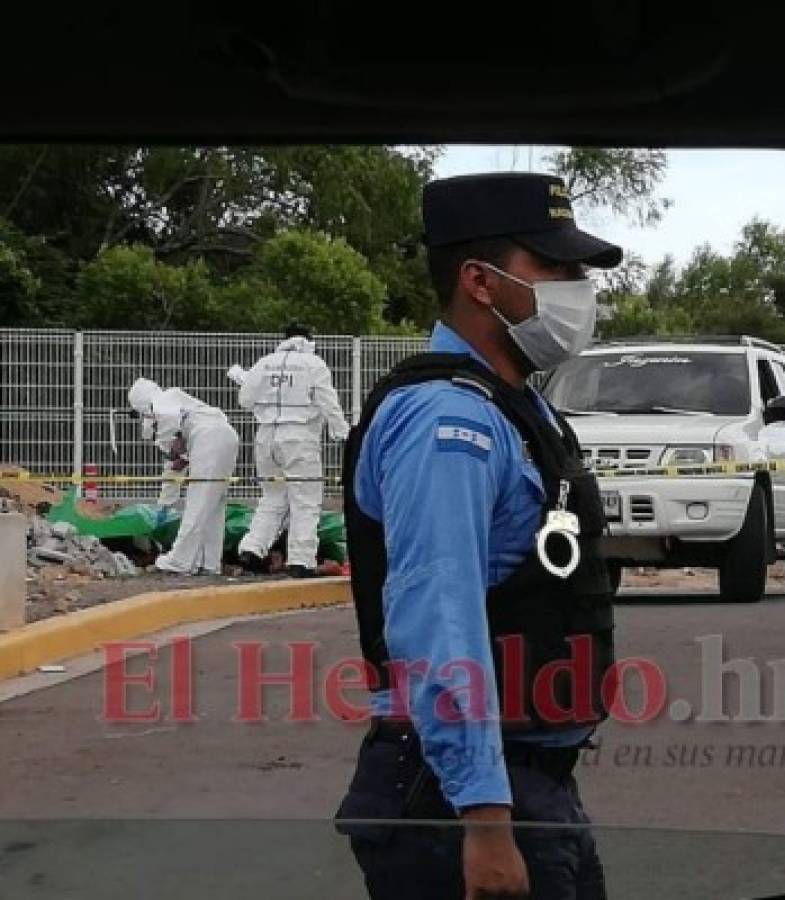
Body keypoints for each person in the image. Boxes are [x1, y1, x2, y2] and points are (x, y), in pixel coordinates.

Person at [336, 172, 622, 899]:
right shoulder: (446, 422)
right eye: (554, 268)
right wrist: (486, 822)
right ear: (479, 281)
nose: (577, 288)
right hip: (459, 799)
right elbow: (440, 620)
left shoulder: (515, 406)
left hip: (526, 785)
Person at [235, 324, 350, 577]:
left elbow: (245, 399)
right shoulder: (313, 364)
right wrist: (343, 434)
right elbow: (328, 402)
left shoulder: (264, 363)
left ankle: (252, 549)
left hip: (265, 436)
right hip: (299, 437)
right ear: (309, 340)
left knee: (271, 497)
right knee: (305, 501)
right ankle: (301, 560)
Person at [127, 378, 239, 575]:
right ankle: (209, 563)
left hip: (209, 438)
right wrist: (166, 500)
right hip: (226, 435)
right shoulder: (178, 401)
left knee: (198, 501)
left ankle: (180, 561)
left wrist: (165, 502)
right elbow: (177, 463)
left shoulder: (162, 407)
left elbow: (173, 458)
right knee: (213, 506)